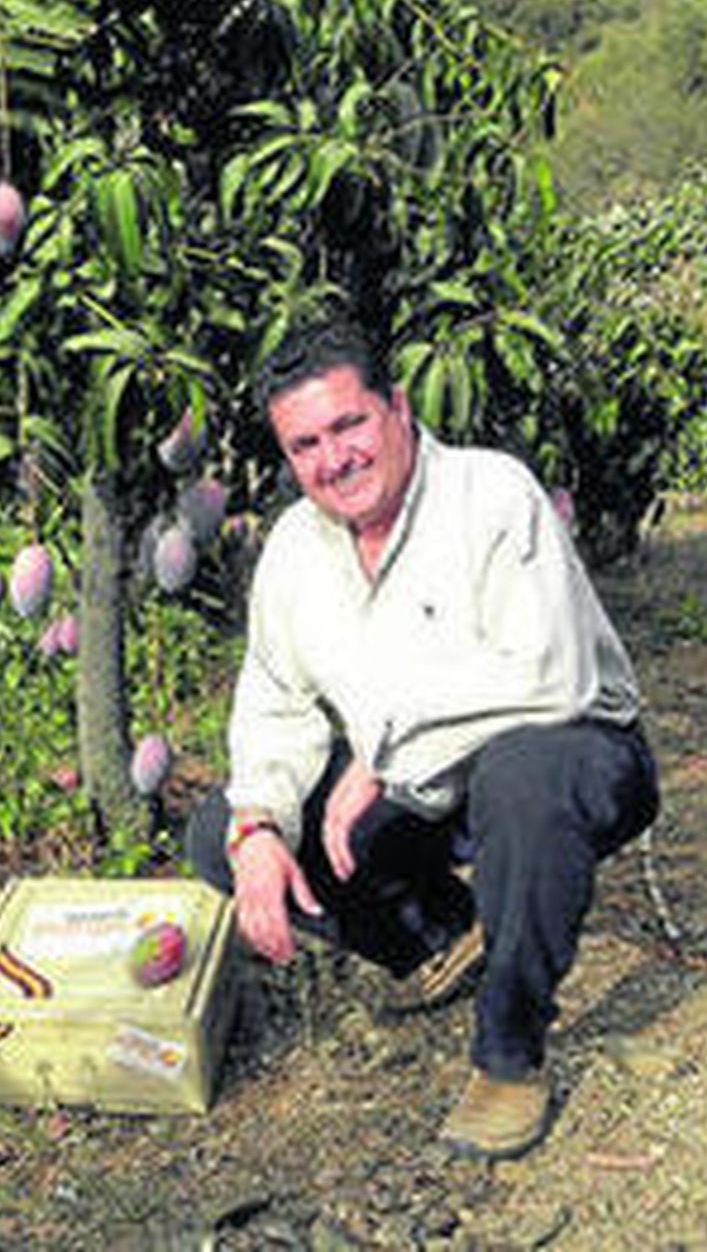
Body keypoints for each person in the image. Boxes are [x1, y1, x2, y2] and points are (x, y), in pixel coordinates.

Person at [186, 318, 660, 1159]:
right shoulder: (296, 549)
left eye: (349, 425)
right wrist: (257, 824)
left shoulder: (492, 494)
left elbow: (551, 675)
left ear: (398, 409)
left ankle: (511, 1053)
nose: (334, 460)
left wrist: (385, 748)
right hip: (421, 786)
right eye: (306, 445)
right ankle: (448, 933)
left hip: (576, 752)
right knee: (221, 825)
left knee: (525, 774)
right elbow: (275, 702)